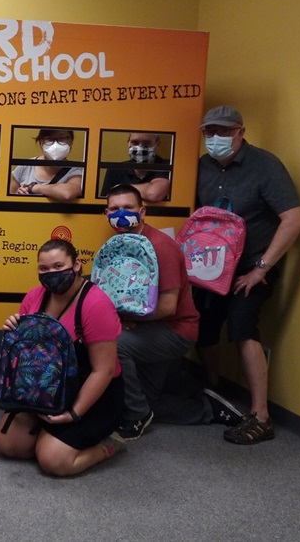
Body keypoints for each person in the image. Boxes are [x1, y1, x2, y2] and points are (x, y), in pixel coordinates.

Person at [194, 105, 300, 445]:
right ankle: (213, 389)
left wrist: (261, 269)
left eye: (224, 132)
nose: (216, 138)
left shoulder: (265, 166)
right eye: (209, 132)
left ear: (241, 132)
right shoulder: (201, 167)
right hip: (211, 265)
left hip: (251, 266)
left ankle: (260, 415)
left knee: (243, 328)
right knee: (204, 324)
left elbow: (295, 219)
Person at [101, 184, 239, 439]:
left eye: (128, 208)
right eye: (115, 209)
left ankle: (136, 417)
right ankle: (209, 408)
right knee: (148, 401)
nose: (121, 214)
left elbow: (167, 307)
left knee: (114, 344)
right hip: (148, 328)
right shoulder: (118, 244)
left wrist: (126, 320)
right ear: (105, 213)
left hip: (175, 330)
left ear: (142, 212)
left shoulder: (160, 247)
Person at [0, 238, 126, 476]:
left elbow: (103, 370)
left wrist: (73, 413)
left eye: (58, 266)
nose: (51, 273)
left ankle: (108, 445)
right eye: (43, 268)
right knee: (9, 445)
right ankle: (51, 437)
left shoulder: (96, 304)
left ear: (76, 265)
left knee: (53, 461)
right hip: (47, 388)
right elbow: (27, 355)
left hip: (93, 394)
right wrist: (14, 329)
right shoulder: (35, 297)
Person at [9, 128, 83, 200]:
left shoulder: (75, 173)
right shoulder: (25, 166)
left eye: (62, 138)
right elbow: (9, 199)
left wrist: (33, 187)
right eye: (50, 139)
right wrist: (19, 194)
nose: (55, 145)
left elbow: (67, 193)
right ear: (41, 142)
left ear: (71, 141)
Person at [99, 132, 170, 202]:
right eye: (135, 143)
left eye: (146, 143)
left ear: (157, 144)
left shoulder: (167, 166)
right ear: (128, 143)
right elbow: (105, 203)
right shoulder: (115, 170)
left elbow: (153, 194)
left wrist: (120, 187)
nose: (140, 148)